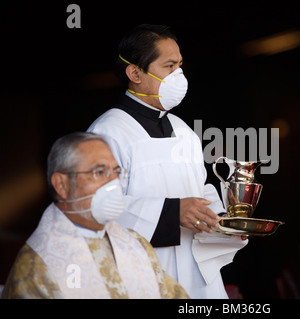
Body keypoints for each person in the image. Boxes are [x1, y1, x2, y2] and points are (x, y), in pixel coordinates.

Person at [87, 24, 247, 299]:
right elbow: (97, 208)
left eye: (180, 66)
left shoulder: (183, 130)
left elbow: (201, 189)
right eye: (169, 66)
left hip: (196, 276)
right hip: (143, 277)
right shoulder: (107, 131)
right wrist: (173, 214)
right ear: (134, 73)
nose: (179, 76)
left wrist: (223, 222)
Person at [1, 132, 189, 299]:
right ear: (61, 185)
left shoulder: (135, 243)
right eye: (99, 172)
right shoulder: (37, 267)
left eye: (116, 172)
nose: (114, 183)